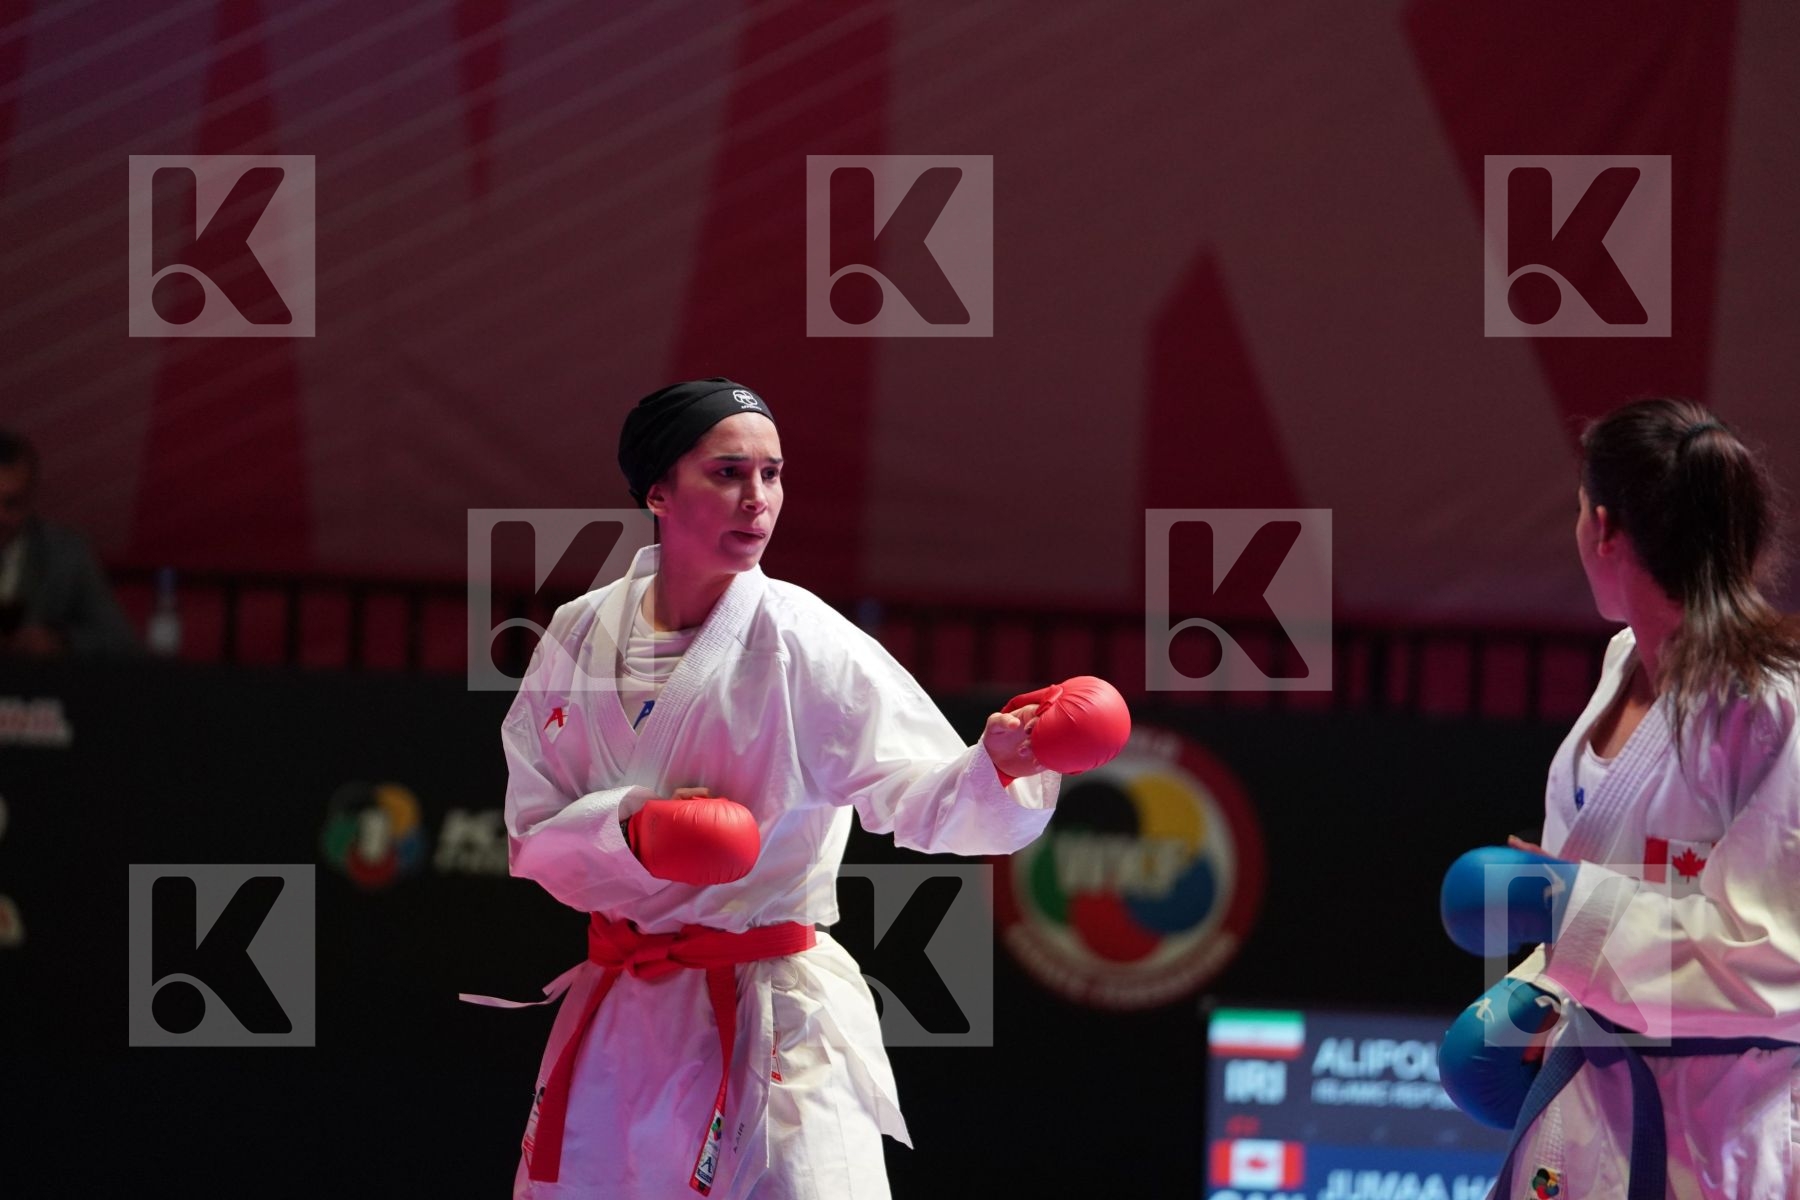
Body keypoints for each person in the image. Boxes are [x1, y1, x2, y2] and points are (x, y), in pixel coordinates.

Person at [484, 379, 1122, 1199]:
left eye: (773, 474)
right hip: (619, 1017)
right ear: (658, 492)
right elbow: (531, 832)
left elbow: (921, 793)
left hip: (772, 1015)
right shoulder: (577, 633)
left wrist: (1000, 765)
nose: (758, 499)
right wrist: (631, 831)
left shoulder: (801, 639)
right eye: (727, 473)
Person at [1438, 397, 1800, 1198]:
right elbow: (1609, 882)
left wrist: (1568, 907)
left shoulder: (1772, 708)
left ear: (1603, 528)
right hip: (1591, 1115)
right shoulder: (1619, 664)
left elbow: (1782, 957)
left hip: (1723, 1138)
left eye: (1576, 511)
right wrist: (1539, 986)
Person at [0, 431, 139, 658]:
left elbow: (120, 640)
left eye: (12, 503)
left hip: (36, 688)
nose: (1, 516)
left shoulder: (65, 552)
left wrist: (60, 640)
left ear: (31, 496)